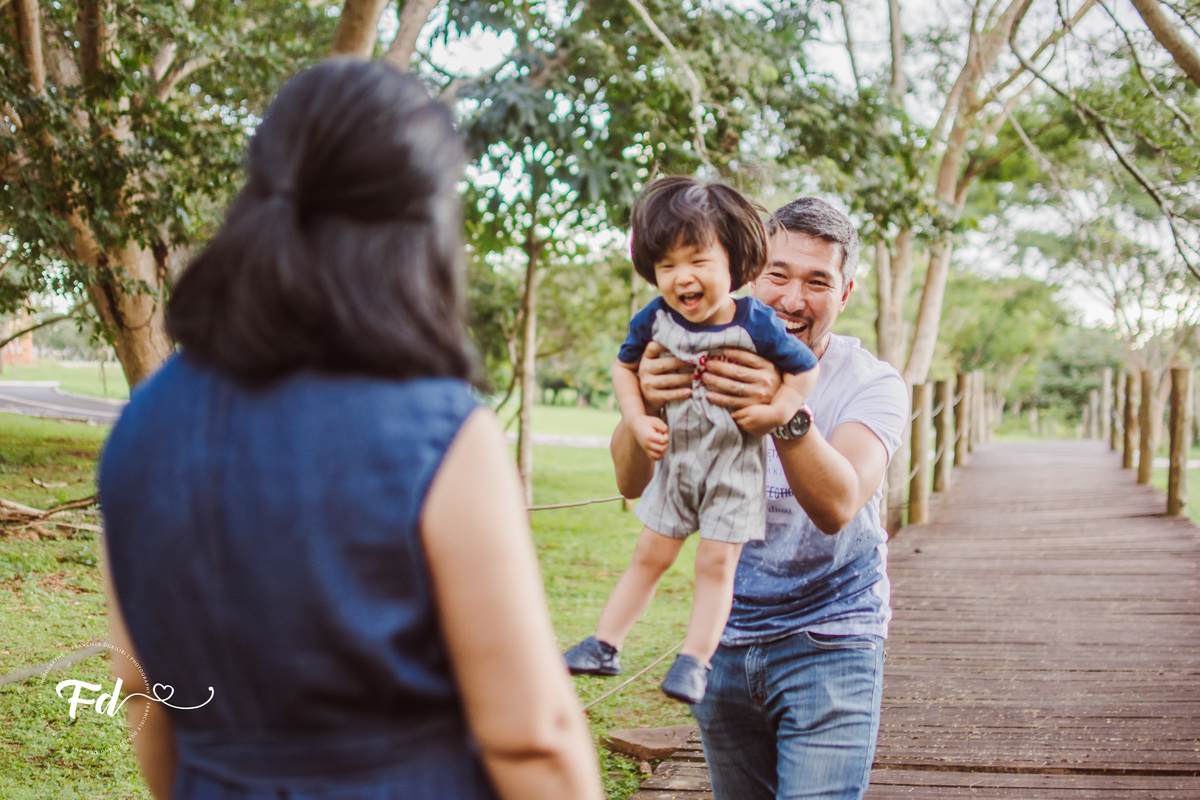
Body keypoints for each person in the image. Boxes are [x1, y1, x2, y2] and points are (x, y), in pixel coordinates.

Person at [98, 59, 601, 800]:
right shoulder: (438, 432)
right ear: (422, 225)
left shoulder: (142, 426)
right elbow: (531, 739)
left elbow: (140, 688)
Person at [611, 197, 908, 799]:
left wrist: (781, 407)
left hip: (832, 638)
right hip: (723, 641)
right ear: (749, 275)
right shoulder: (694, 347)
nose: (793, 299)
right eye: (778, 274)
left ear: (845, 294)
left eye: (818, 282)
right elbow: (630, 481)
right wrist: (648, 400)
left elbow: (839, 505)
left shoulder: (872, 384)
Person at [564, 177, 818, 706]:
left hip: (732, 472)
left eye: (698, 260)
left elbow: (803, 370)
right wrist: (637, 419)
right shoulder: (655, 318)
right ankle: (605, 643)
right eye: (666, 265)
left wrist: (777, 410)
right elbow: (623, 368)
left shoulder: (757, 322)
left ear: (735, 261)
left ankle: (695, 661)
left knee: (715, 563)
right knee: (649, 554)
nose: (682, 277)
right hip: (678, 465)